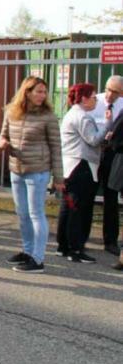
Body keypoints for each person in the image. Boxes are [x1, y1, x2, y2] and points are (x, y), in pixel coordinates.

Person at [0, 77, 63, 273]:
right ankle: (27, 251)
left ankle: (38, 258)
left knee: (36, 214)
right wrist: (2, 143)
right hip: (16, 169)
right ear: (27, 92)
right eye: (39, 91)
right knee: (22, 214)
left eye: (44, 92)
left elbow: (56, 147)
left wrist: (59, 177)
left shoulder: (48, 116)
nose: (42, 96)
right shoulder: (11, 112)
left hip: (38, 171)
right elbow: (3, 134)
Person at [57, 83, 109, 264]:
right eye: (94, 97)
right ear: (84, 98)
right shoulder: (82, 117)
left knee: (68, 207)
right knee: (80, 209)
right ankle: (76, 248)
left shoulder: (71, 115)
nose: (96, 100)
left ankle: (63, 245)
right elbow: (93, 140)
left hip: (71, 166)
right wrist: (108, 125)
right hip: (82, 166)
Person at [94, 76, 123, 255]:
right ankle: (79, 238)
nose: (110, 95)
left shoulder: (122, 105)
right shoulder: (95, 101)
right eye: (108, 90)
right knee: (88, 193)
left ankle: (110, 240)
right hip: (95, 150)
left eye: (116, 92)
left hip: (113, 153)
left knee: (111, 198)